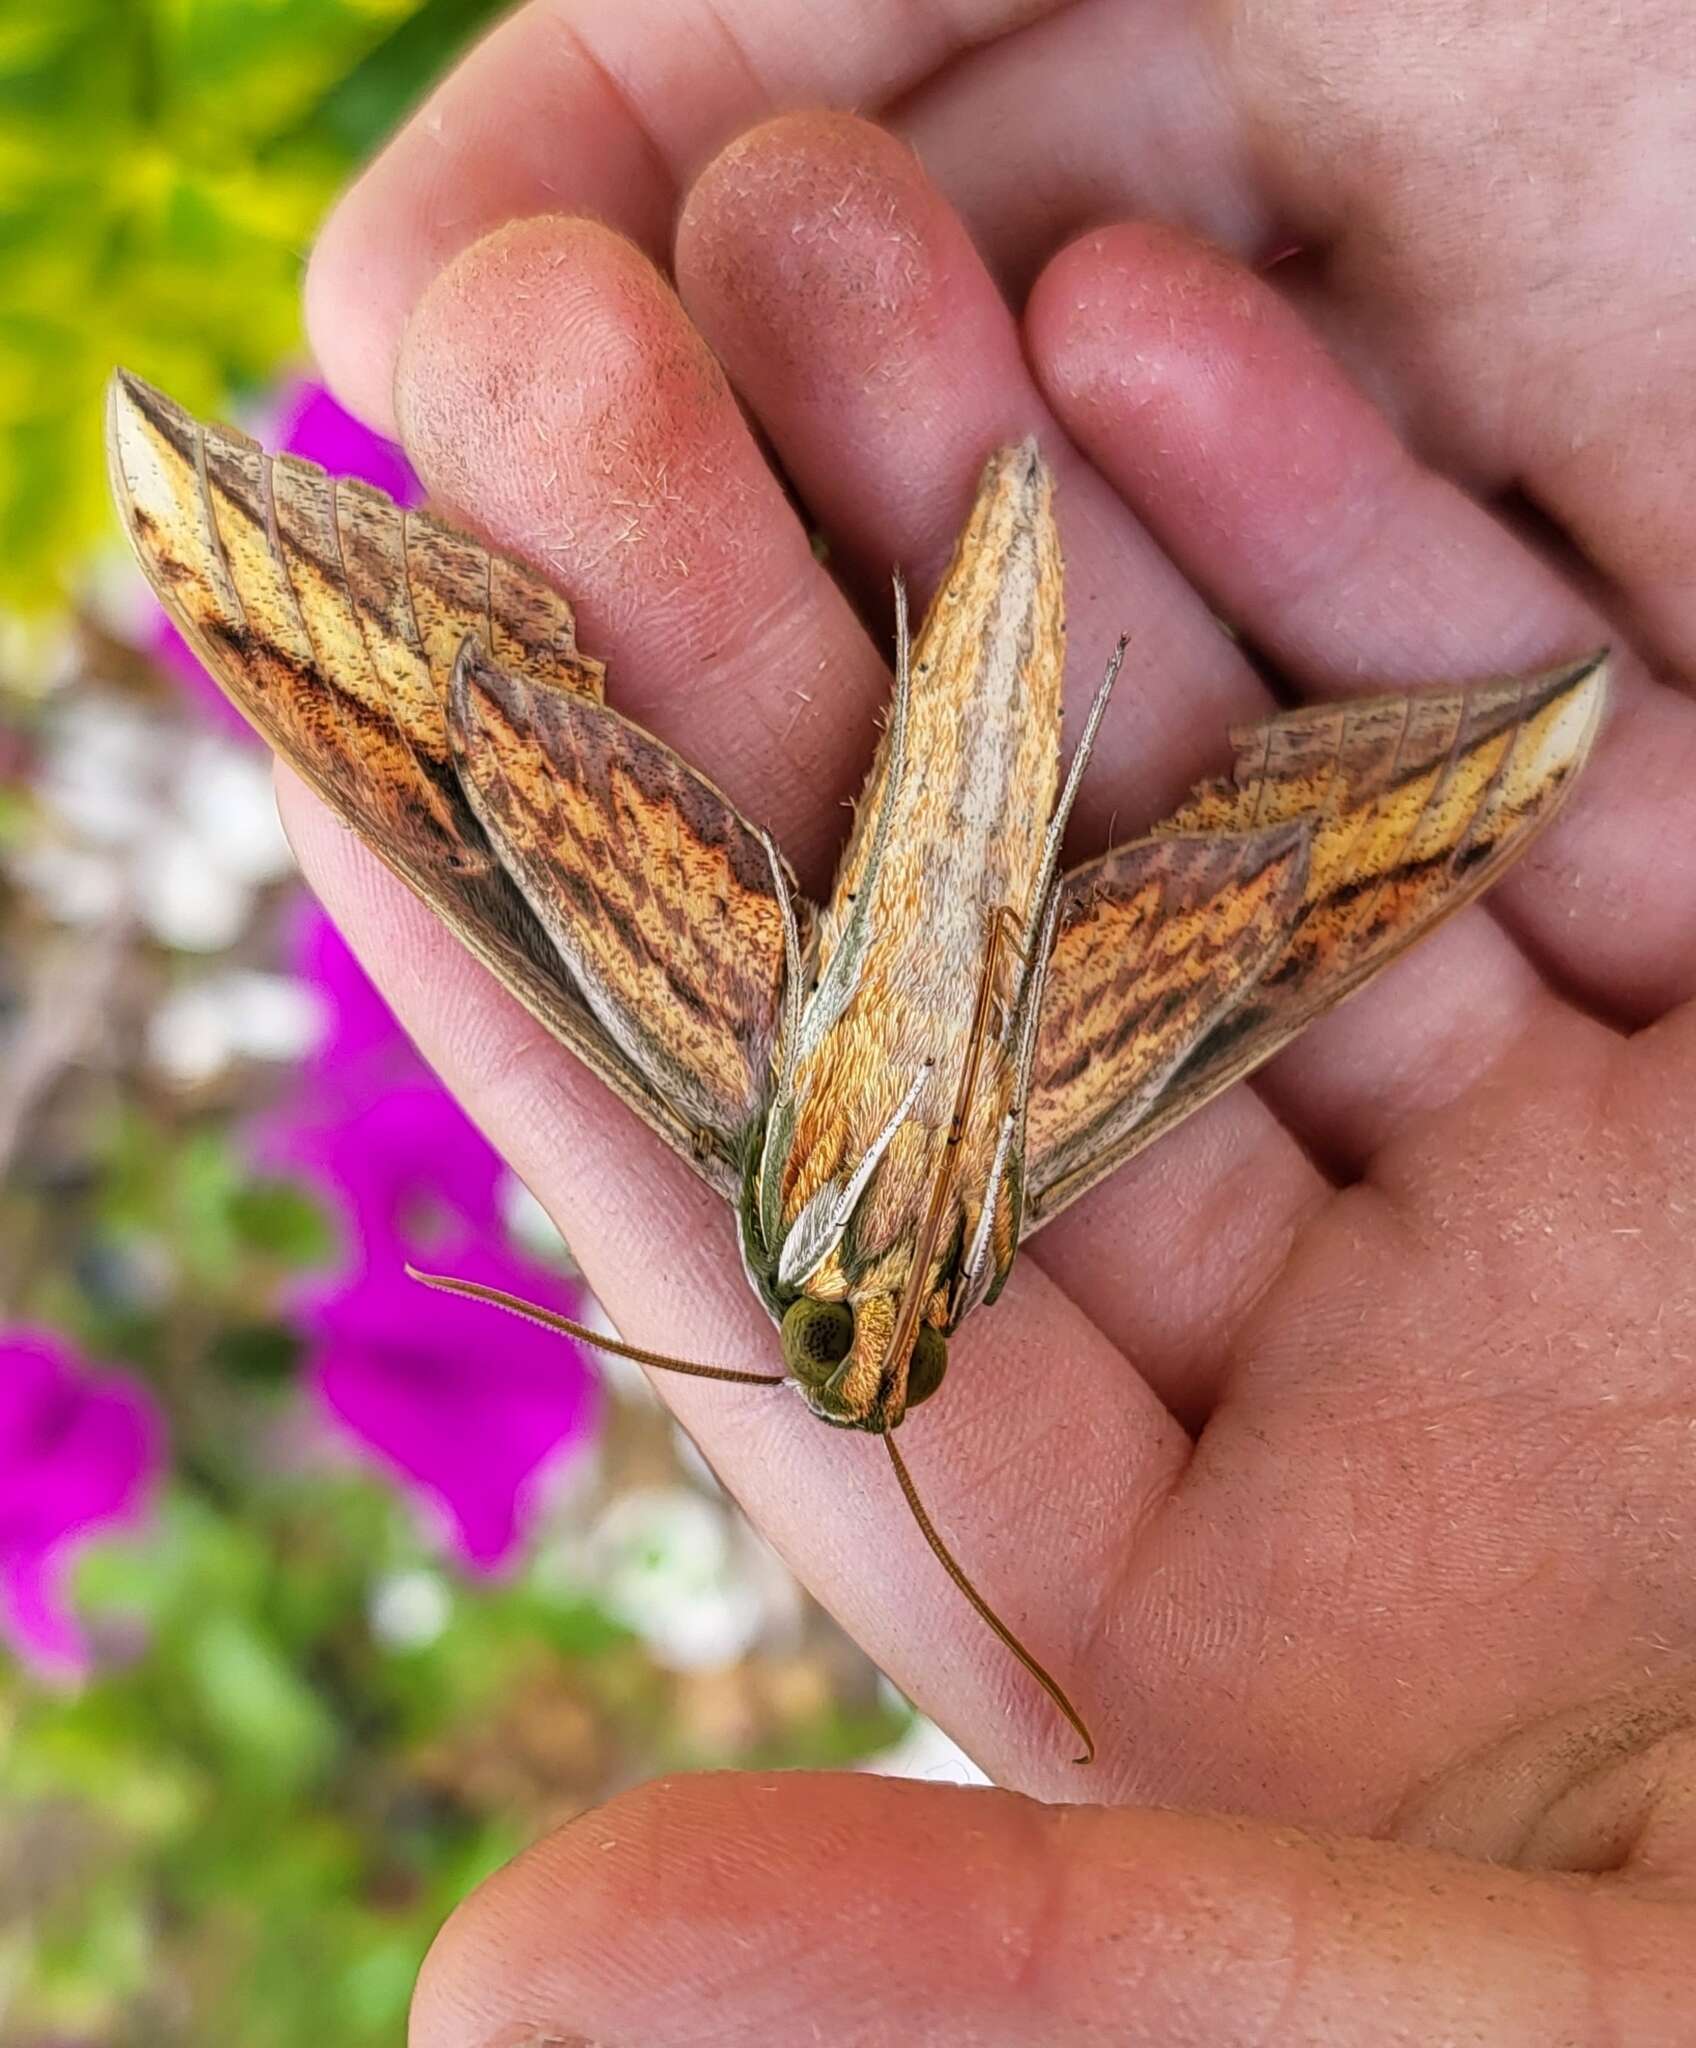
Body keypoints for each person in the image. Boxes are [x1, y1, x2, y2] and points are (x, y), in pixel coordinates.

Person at [292, 5, 1696, 2039]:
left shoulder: (792, 1080)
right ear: (952, 1295)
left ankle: (1512, 749)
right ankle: (1505, 752)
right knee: (1311, 867)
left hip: (1003, 817)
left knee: (484, 750)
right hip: (1034, 755)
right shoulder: (785, 1105)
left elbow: (507, 803)